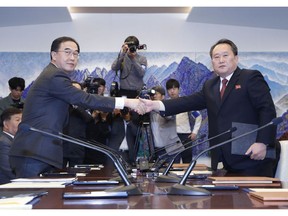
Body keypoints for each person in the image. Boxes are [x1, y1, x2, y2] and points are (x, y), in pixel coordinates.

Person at [139, 38, 280, 177]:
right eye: (216, 57)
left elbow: (267, 109)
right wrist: (154, 105)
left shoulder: (250, 77)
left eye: (225, 55)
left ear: (236, 58)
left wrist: (262, 142)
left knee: (254, 199)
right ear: (212, 62)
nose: (221, 60)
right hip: (228, 160)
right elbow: (186, 102)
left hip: (254, 156)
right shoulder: (210, 86)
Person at [9, 36, 143, 178]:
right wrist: (127, 102)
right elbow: (85, 99)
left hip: (39, 152)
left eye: (75, 53)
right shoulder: (54, 76)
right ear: (54, 55)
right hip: (34, 152)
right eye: (67, 52)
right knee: (33, 198)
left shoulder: (52, 75)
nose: (72, 57)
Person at [166, 78, 202, 163]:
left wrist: (195, 132)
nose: (172, 91)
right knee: (174, 161)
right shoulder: (165, 104)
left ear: (178, 89)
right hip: (171, 136)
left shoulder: (185, 102)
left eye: (174, 88)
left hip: (185, 135)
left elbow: (198, 116)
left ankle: (187, 176)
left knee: (187, 161)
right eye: (169, 89)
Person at [149, 85, 184, 161]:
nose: (154, 96)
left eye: (156, 94)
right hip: (157, 150)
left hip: (171, 149)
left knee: (173, 172)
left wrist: (155, 106)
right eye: (152, 94)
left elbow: (169, 116)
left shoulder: (168, 106)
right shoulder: (150, 111)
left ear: (163, 96)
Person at [62, 81, 92, 168]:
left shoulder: (85, 105)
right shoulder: (61, 105)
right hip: (60, 148)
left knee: (77, 175)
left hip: (77, 148)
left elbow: (89, 119)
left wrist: (76, 105)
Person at [0, 107, 22, 184]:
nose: (22, 123)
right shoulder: (3, 143)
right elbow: (9, 170)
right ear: (6, 124)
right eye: (17, 120)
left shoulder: (14, 141)